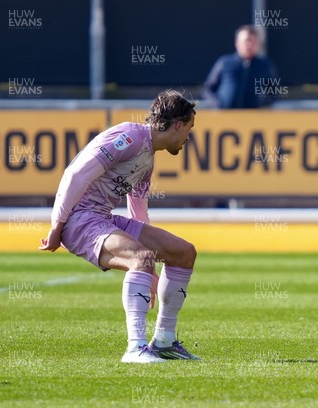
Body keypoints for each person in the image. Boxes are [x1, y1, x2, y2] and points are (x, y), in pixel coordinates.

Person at [39, 89, 200, 363]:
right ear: (178, 125)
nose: (188, 138)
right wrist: (57, 226)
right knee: (140, 257)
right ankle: (135, 348)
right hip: (79, 219)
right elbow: (75, 173)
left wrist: (149, 272)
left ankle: (164, 341)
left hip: (101, 217)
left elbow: (137, 209)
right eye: (189, 130)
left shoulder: (148, 155)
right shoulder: (131, 137)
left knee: (183, 252)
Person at [203, 25, 277, 109]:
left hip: (253, 117)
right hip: (225, 117)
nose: (249, 45)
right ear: (237, 43)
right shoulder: (224, 62)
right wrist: (218, 103)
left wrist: (262, 103)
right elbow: (208, 88)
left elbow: (273, 91)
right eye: (246, 41)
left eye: (253, 41)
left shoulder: (265, 65)